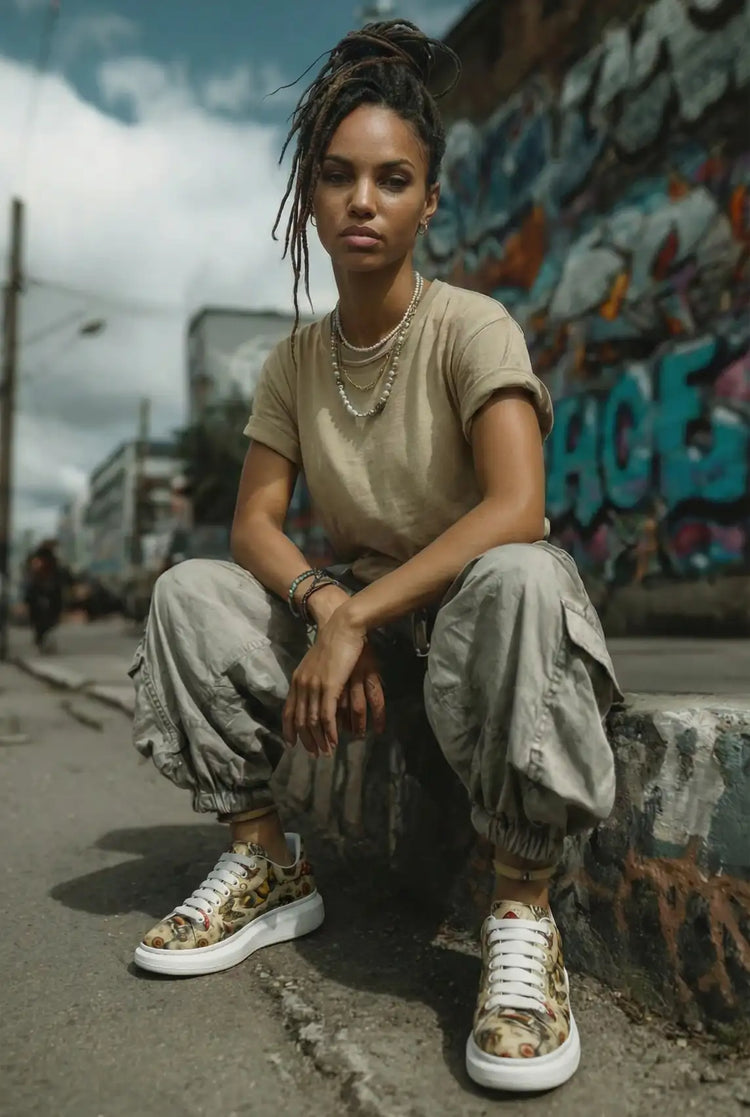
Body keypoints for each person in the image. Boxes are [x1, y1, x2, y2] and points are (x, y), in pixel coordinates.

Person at [129, 21, 620, 1095]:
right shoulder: (295, 360)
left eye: (393, 180)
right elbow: (255, 526)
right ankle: (265, 859)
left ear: (428, 202)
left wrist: (355, 615)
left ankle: (524, 915)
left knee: (527, 577)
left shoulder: (473, 327)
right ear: (310, 194)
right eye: (340, 177)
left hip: (474, 629)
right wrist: (323, 604)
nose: (364, 201)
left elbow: (519, 507)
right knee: (188, 596)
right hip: (363, 628)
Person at [23, 539, 66, 651]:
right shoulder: (41, 558)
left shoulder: (48, 559)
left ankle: (43, 641)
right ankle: (43, 641)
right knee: (43, 620)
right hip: (42, 592)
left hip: (47, 593)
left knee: (45, 620)